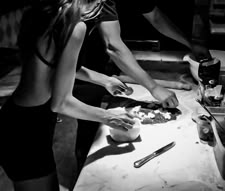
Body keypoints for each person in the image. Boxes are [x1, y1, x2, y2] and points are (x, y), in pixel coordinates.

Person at [0, 0, 140, 190]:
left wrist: (104, 80)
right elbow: (61, 103)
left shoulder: (44, 13)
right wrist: (109, 116)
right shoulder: (76, 26)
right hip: (28, 131)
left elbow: (55, 64)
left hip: (15, 118)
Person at [74, 0, 181, 175]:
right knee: (87, 137)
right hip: (45, 100)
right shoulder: (71, 22)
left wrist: (104, 80)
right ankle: (84, 174)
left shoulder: (97, 6)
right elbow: (60, 98)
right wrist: (105, 115)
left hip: (82, 73)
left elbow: (66, 67)